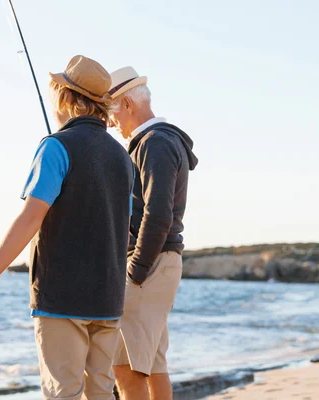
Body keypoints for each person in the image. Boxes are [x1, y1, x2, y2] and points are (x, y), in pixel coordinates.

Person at [0, 55, 135, 400]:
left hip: (62, 299)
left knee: (62, 393)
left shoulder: (55, 147)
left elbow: (30, 219)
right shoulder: (123, 158)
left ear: (67, 98)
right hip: (109, 300)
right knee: (101, 392)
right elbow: (124, 234)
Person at [107, 66, 199, 400]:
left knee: (125, 367)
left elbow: (157, 214)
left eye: (111, 113)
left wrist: (135, 270)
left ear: (128, 105)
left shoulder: (155, 143)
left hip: (151, 265)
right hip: (161, 264)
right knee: (152, 366)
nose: (110, 123)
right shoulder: (157, 141)